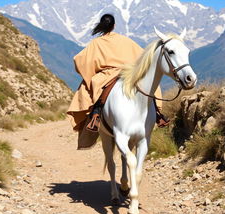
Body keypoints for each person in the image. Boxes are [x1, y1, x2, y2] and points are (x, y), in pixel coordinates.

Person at [67, 14, 168, 142]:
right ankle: (158, 115)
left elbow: (79, 60)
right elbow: (143, 56)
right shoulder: (125, 40)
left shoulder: (96, 43)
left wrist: (91, 72)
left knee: (92, 91)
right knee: (151, 89)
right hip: (128, 72)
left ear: (101, 25)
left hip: (106, 75)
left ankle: (96, 115)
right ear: (114, 26)